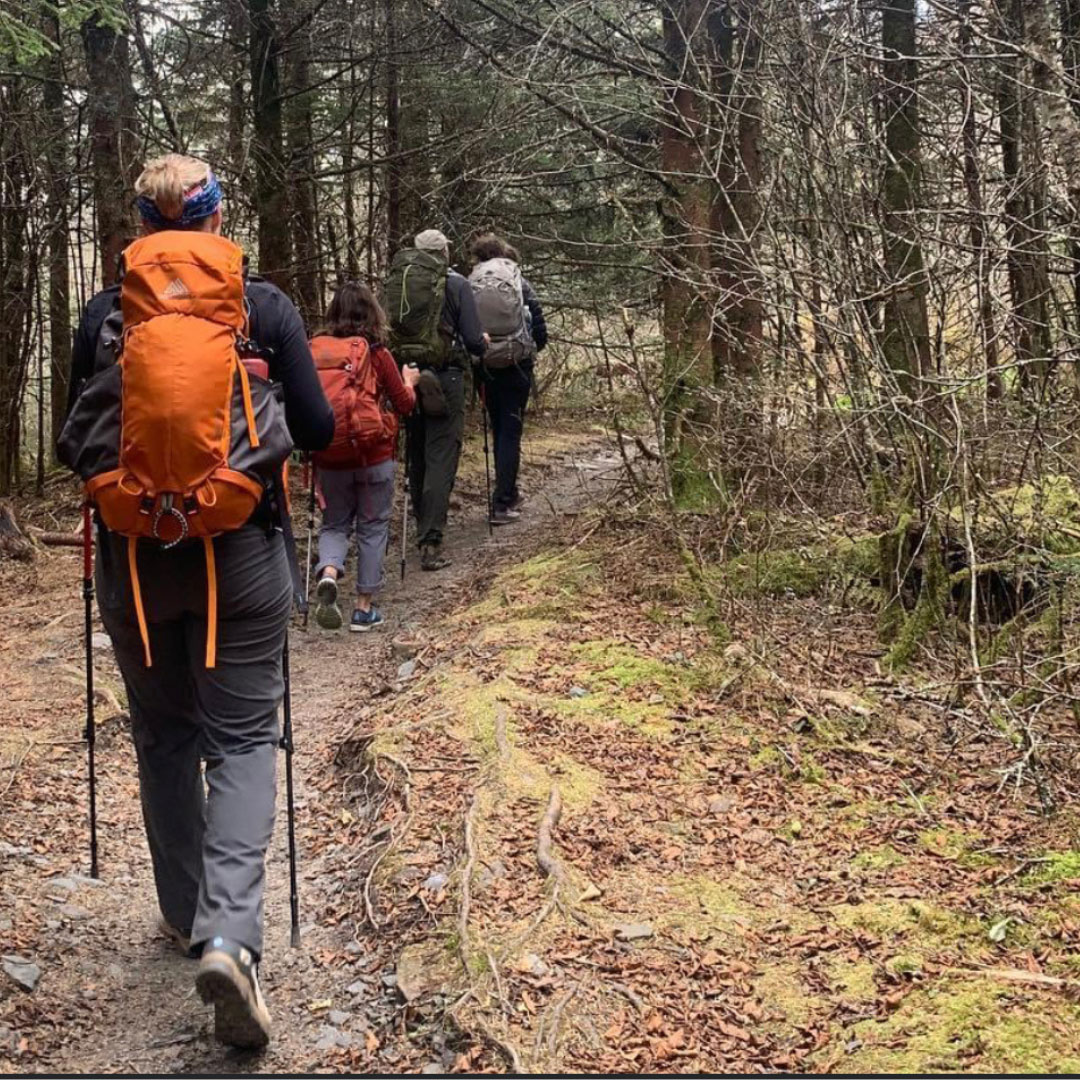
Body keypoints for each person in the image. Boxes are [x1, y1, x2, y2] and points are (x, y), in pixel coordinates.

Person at [61, 154, 333, 1050]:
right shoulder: (264, 306)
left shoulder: (107, 313)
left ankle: (183, 917)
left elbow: (80, 437)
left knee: (164, 731)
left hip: (137, 560)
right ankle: (229, 934)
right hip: (242, 554)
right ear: (219, 220)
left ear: (141, 223)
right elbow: (319, 428)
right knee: (245, 737)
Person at [310, 282, 419, 632]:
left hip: (329, 455)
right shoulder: (377, 353)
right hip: (374, 455)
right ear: (372, 313)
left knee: (335, 523)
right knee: (372, 528)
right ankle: (363, 609)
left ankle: (329, 571)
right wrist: (410, 381)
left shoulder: (314, 351)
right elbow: (404, 404)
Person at [386, 229, 487, 571]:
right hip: (446, 378)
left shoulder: (400, 279)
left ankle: (420, 528)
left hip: (409, 376)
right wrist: (483, 344)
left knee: (417, 454)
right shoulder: (455, 283)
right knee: (441, 456)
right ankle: (431, 540)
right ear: (444, 252)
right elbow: (474, 340)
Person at [468, 233, 547, 525]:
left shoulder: (470, 281)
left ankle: (507, 492)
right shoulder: (518, 282)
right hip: (516, 366)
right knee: (510, 432)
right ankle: (503, 501)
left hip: (484, 368)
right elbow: (540, 330)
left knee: (497, 425)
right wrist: (528, 350)